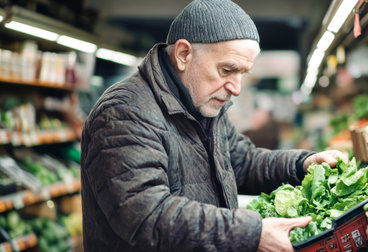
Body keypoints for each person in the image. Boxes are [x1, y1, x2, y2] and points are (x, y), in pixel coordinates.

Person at [80, 0, 348, 251]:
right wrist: (251, 234)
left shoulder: (200, 104)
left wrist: (303, 164)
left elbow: (240, 161)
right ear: (184, 54)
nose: (236, 88)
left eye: (243, 73)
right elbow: (146, 215)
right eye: (227, 70)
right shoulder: (124, 112)